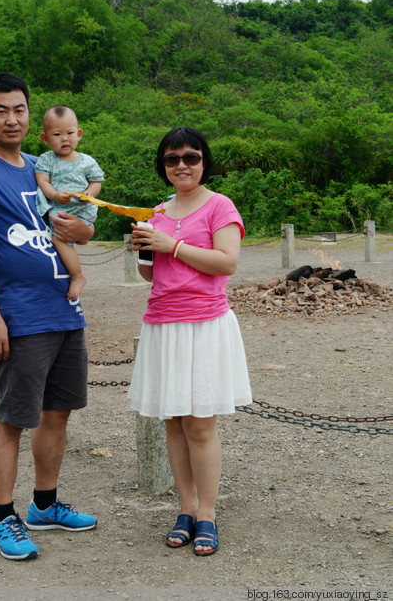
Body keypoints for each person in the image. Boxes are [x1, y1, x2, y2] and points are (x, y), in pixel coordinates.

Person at [0, 72, 97, 561]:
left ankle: (45, 505)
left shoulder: (44, 165)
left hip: (64, 310)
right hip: (18, 316)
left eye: (19, 109)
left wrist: (84, 234)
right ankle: (1, 519)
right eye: (1, 110)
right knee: (13, 419)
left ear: (31, 116)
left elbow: (76, 229)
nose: (11, 118)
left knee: (58, 412)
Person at [129, 126, 252, 557]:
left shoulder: (220, 205)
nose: (181, 165)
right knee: (173, 420)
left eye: (191, 157)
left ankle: (208, 514)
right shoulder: (158, 210)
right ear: (162, 165)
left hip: (204, 324)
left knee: (201, 423)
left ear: (204, 161)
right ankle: (185, 508)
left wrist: (172, 244)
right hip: (162, 323)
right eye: (171, 158)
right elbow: (152, 274)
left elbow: (227, 262)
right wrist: (145, 249)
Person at [35, 105, 104, 300]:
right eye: (57, 134)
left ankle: (76, 275)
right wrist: (55, 195)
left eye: (69, 133)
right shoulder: (46, 160)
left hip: (82, 209)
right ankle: (78, 274)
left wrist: (89, 193)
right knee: (60, 237)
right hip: (61, 209)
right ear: (45, 139)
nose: (64, 138)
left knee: (67, 238)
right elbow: (42, 182)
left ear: (79, 134)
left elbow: (96, 182)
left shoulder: (87, 161)